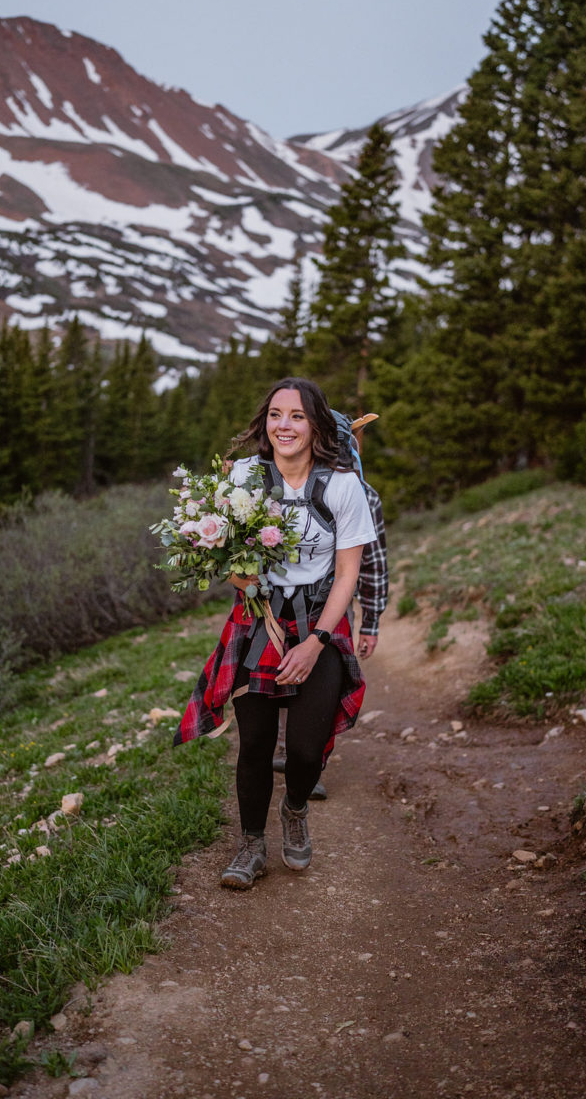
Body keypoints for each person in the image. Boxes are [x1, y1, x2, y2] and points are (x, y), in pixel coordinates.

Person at [173, 377, 375, 889]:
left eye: (298, 416)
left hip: (318, 619)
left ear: (316, 425)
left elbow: (348, 573)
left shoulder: (342, 485)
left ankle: (296, 807)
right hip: (257, 617)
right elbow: (223, 559)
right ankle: (251, 846)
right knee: (256, 742)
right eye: (276, 415)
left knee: (307, 750)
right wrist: (243, 581)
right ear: (266, 422)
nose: (285, 425)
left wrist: (316, 642)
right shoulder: (242, 476)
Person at [273, 477, 388, 797]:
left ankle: (312, 762)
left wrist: (371, 621)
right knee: (280, 671)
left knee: (324, 681)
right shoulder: (276, 482)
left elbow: (373, 562)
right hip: (277, 602)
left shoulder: (362, 494)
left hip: (333, 606)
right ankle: (286, 748)